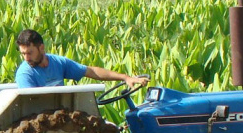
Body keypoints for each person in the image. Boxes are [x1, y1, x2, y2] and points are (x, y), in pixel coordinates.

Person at [15, 29, 149, 90]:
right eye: (23, 54)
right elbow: (30, 105)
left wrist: (125, 77)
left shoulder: (58, 63)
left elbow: (91, 72)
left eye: (30, 53)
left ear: (41, 48)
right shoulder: (25, 74)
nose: (27, 58)